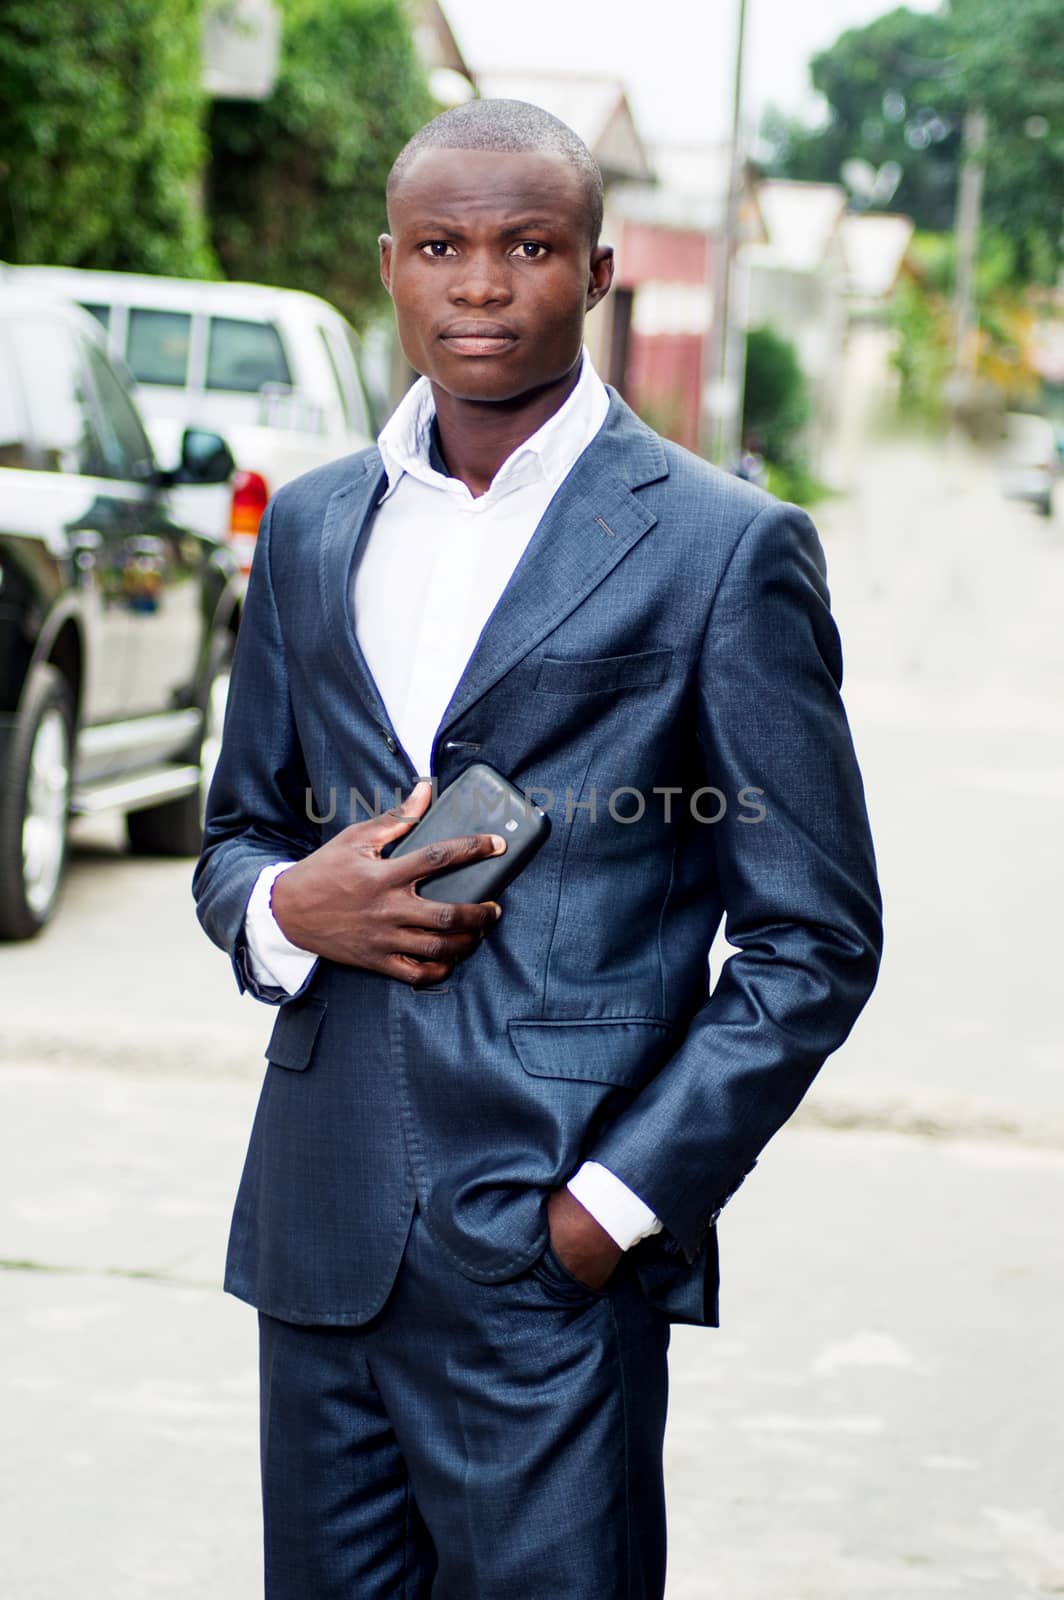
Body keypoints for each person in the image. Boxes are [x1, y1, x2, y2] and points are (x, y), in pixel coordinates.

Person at [194, 98, 882, 1600]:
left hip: (549, 1252)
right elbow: (238, 832)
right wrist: (288, 910)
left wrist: (612, 1212)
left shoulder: (720, 546)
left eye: (530, 247)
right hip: (320, 1235)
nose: (484, 285)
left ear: (601, 270)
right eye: (441, 247)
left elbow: (815, 937)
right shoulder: (312, 527)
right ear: (390, 267)